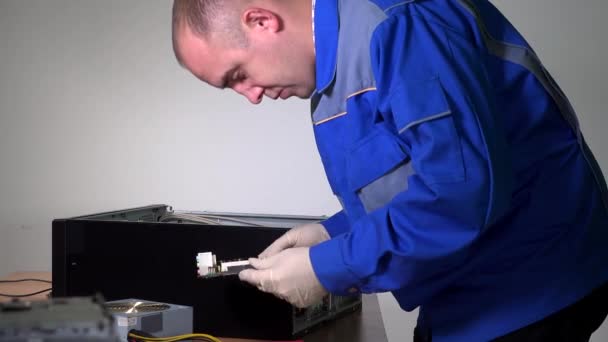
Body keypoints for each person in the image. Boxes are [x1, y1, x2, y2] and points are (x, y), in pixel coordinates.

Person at [170, 0, 608, 341]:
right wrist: (335, 232)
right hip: (462, 293)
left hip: (528, 288)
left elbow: (460, 197)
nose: (250, 96)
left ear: (261, 21)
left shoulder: (398, 23)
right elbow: (412, 182)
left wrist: (328, 266)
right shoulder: (331, 78)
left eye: (237, 76)